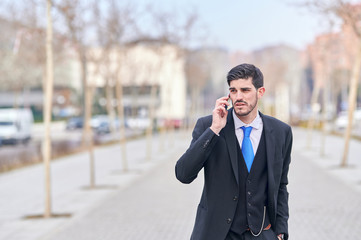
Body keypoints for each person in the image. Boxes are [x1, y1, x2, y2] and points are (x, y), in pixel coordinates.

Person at [175, 63, 292, 240]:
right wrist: (214, 130)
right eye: (233, 91)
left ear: (260, 92)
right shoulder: (208, 126)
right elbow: (183, 174)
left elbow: (281, 185)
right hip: (218, 234)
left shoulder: (281, 132)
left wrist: (281, 231)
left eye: (245, 90)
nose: (238, 97)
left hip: (262, 233)